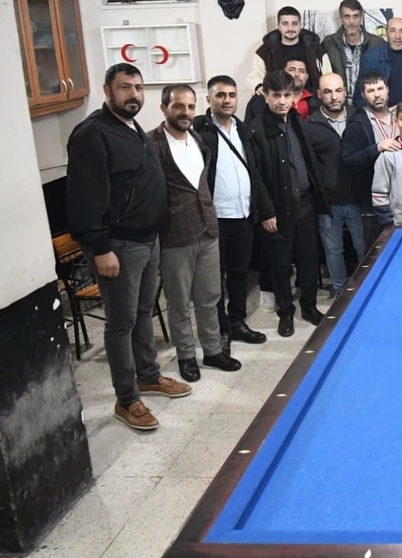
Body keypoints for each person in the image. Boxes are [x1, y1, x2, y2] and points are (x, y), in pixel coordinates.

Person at [66, 63, 190, 432]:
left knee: (142, 312)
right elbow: (84, 199)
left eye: (137, 87)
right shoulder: (92, 134)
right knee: (120, 323)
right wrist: (100, 247)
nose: (133, 94)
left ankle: (148, 376)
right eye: (124, 87)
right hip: (117, 245)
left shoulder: (132, 127)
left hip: (147, 239)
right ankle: (126, 399)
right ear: (107, 90)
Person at [150, 85, 242, 382]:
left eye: (190, 106)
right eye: (178, 106)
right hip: (175, 235)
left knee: (210, 297)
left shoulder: (198, 139)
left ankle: (213, 350)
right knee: (179, 302)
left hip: (208, 229)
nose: (186, 112)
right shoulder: (151, 145)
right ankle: (186, 355)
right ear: (164, 108)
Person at [248, 70, 328, 338]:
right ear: (265, 96)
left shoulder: (297, 121)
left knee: (309, 258)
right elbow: (255, 176)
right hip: (278, 208)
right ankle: (285, 313)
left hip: (305, 201)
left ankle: (309, 306)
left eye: (287, 95)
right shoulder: (256, 129)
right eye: (276, 95)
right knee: (280, 264)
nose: (282, 101)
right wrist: (266, 211)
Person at [192, 75, 268, 349]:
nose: (227, 100)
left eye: (232, 95)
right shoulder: (199, 131)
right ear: (209, 99)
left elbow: (254, 171)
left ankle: (237, 321)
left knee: (239, 273)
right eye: (220, 95)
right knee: (215, 280)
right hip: (215, 219)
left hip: (243, 215)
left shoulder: (243, 130)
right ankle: (220, 329)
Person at [304, 73, 362, 297]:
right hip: (328, 202)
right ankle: (340, 292)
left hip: (358, 199)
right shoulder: (310, 126)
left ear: (345, 91)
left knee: (364, 249)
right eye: (328, 92)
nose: (334, 96)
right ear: (319, 94)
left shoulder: (359, 117)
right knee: (333, 250)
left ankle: (366, 288)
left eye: (338, 90)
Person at [341, 73, 402, 249]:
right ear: (363, 95)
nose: (377, 95)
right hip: (374, 206)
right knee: (377, 255)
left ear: (387, 90)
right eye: (370, 91)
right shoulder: (357, 124)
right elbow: (348, 162)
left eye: (380, 88)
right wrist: (376, 148)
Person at [247, 6, 330, 94]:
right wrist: (259, 86)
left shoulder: (316, 49)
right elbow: (254, 78)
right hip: (278, 100)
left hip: (312, 100)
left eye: (294, 23)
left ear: (300, 25)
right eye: (285, 23)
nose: (290, 28)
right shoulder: (265, 51)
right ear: (278, 26)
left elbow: (328, 76)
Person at [321, 0, 385, 104]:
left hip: (369, 103)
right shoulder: (329, 43)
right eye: (347, 16)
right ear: (341, 18)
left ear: (361, 17)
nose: (351, 22)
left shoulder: (377, 43)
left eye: (355, 16)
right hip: (338, 104)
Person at [359, 17, 402, 106]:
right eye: (392, 31)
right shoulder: (371, 57)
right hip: (383, 111)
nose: (397, 36)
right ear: (386, 33)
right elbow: (360, 92)